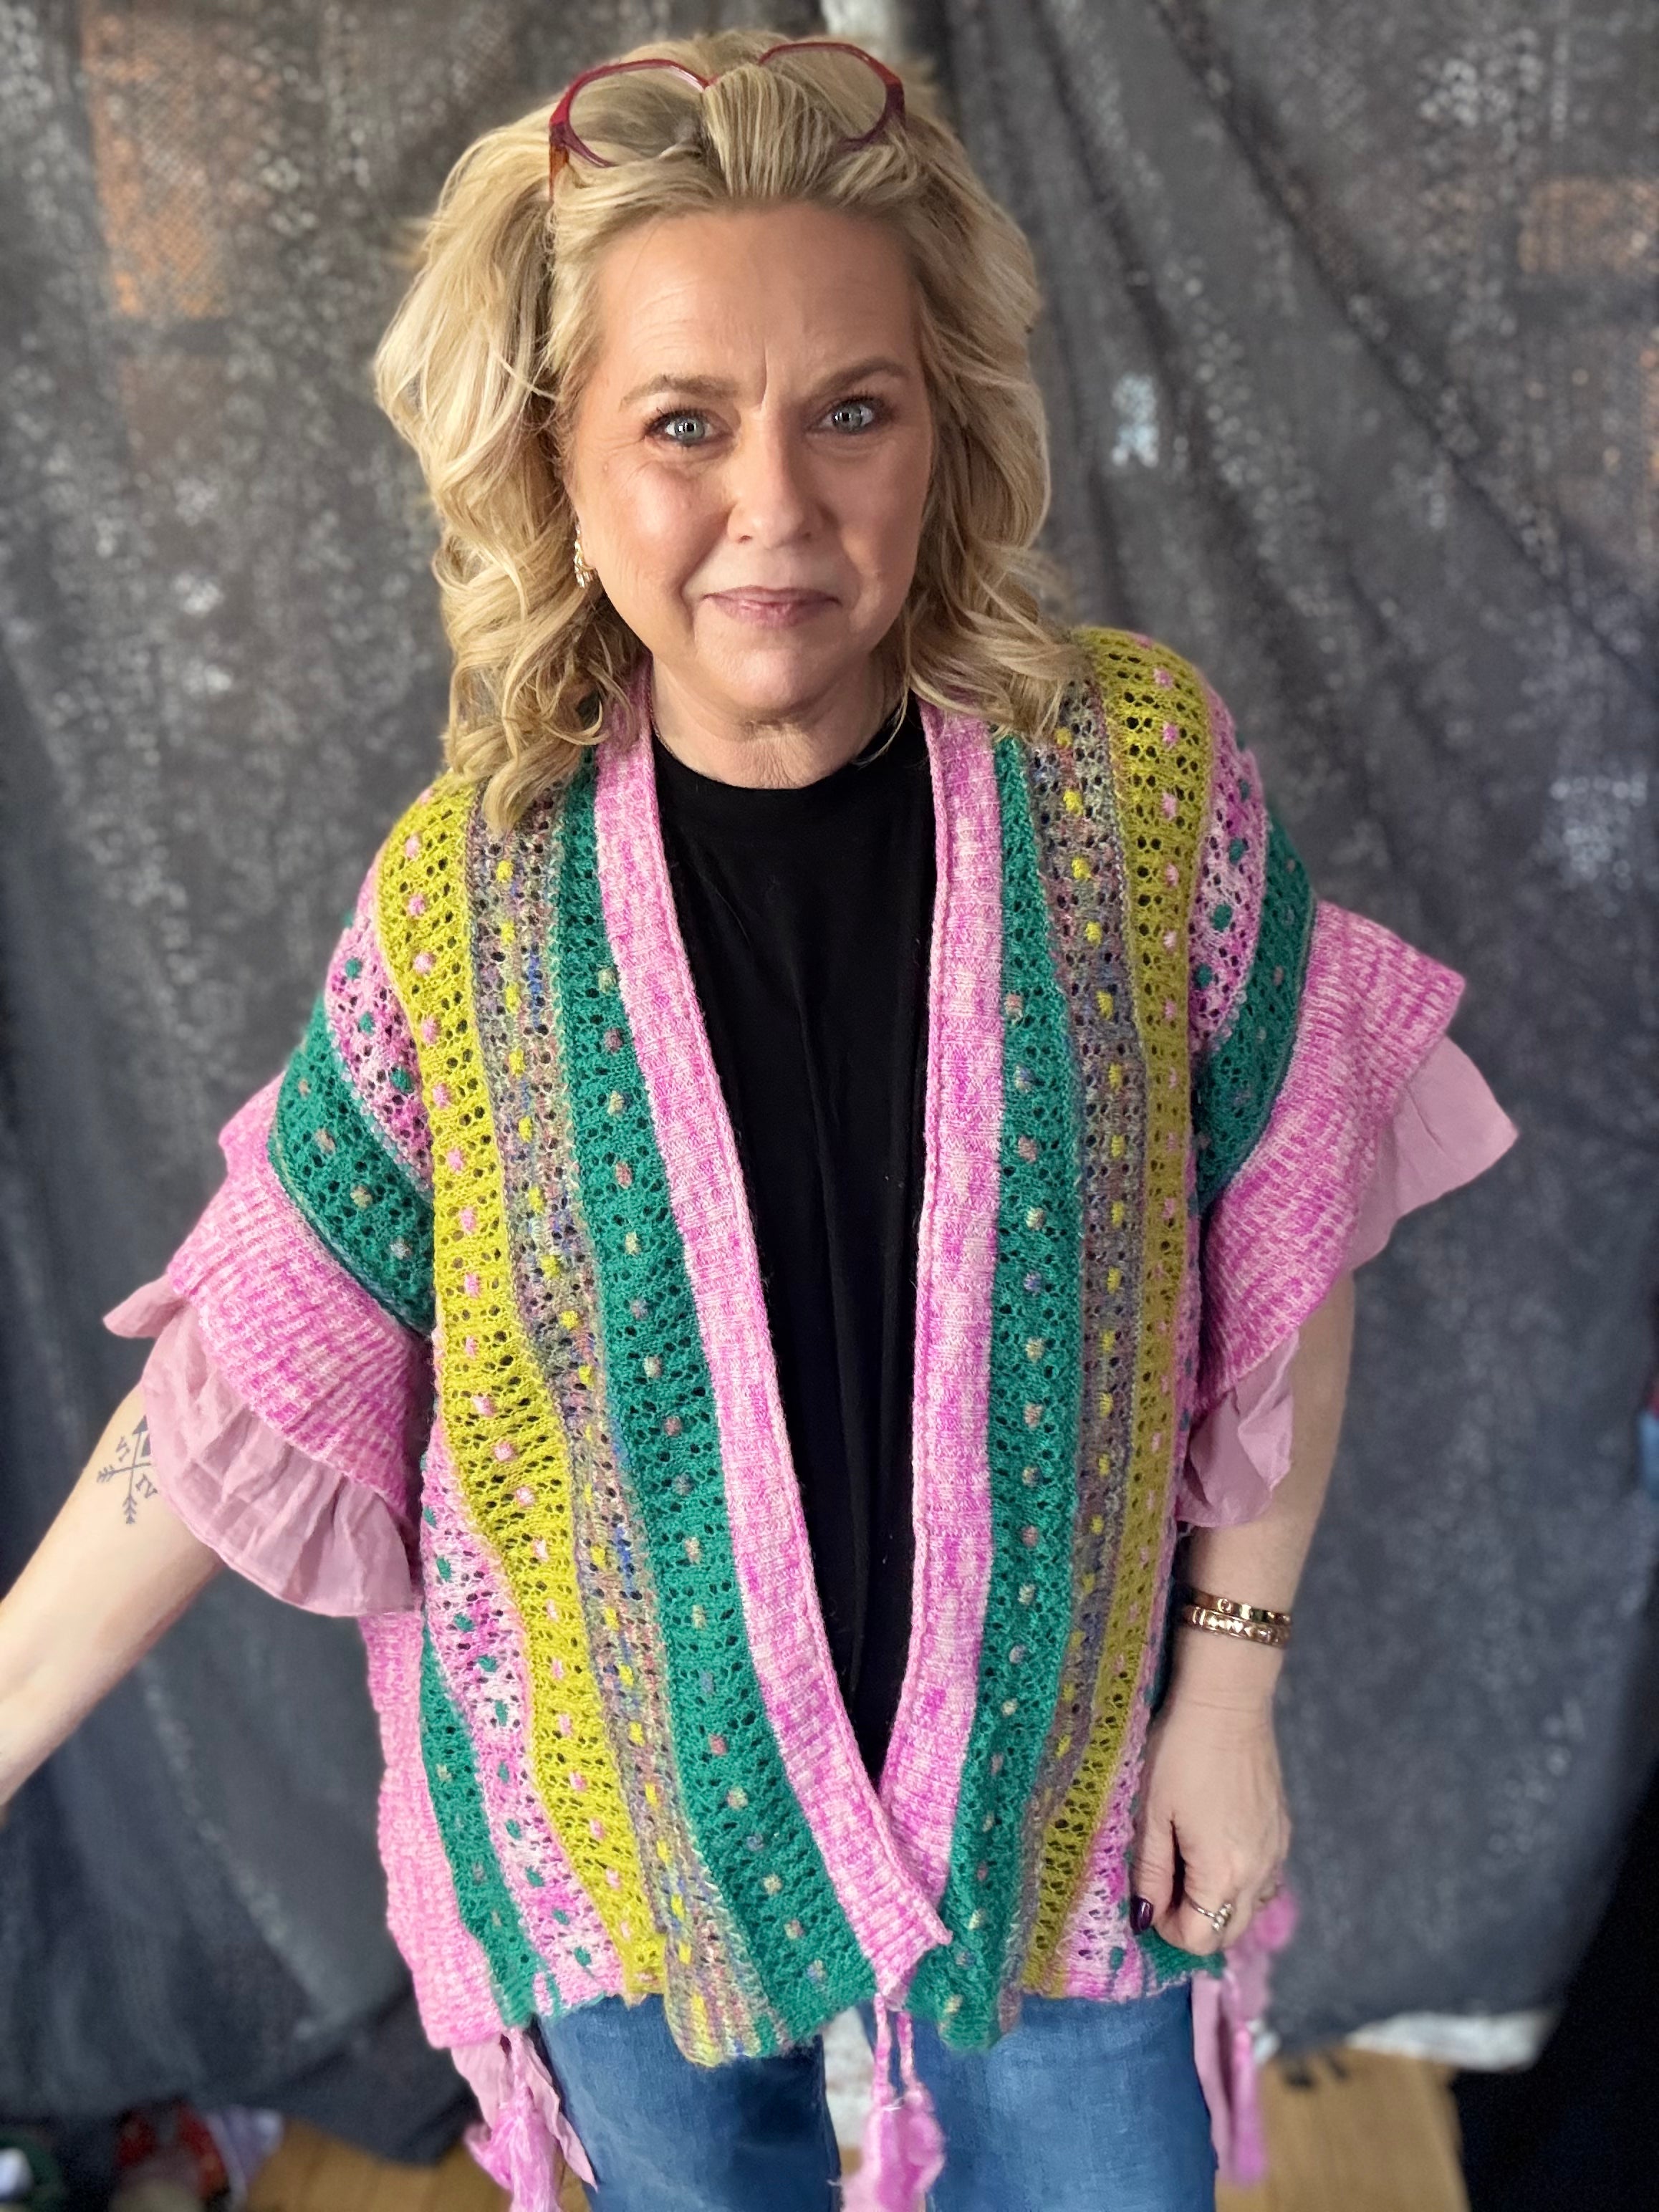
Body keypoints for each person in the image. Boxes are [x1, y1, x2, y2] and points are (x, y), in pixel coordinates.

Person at [0, 29, 1518, 2212]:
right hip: (618, 1813)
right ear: (556, 447)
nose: (777, 509)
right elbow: (248, 1361)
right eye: (685, 423)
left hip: (1071, 1781)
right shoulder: (468, 909)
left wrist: (1229, 1688)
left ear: (944, 424)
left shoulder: (1128, 789)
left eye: (852, 412)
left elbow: (1286, 1234)